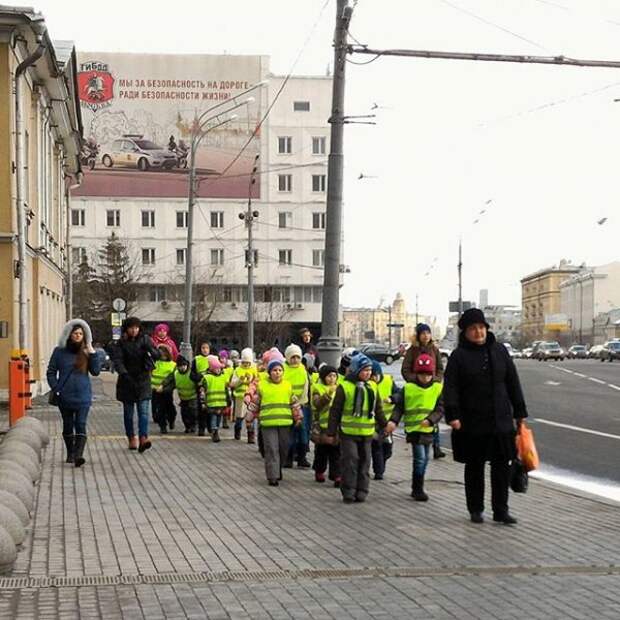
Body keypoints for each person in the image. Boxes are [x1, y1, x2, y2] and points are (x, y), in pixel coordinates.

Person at [443, 308, 528, 525]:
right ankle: (476, 509)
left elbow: (513, 382)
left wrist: (519, 413)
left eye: (481, 327)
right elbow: (450, 388)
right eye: (473, 329)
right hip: (472, 422)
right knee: (475, 467)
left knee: (501, 467)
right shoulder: (458, 356)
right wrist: (453, 415)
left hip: (500, 420)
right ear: (465, 332)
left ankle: (501, 510)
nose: (478, 332)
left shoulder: (499, 351)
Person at [326, 353, 387, 504]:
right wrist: (331, 432)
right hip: (348, 433)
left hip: (367, 433)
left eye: (369, 370)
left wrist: (385, 425)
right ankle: (348, 491)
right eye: (365, 370)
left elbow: (378, 409)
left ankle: (362, 490)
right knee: (351, 461)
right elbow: (335, 411)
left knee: (365, 462)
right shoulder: (345, 387)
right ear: (355, 370)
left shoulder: (372, 386)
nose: (368, 373)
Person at [386, 354, 444, 501]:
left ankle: (418, 484)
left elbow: (440, 408)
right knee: (420, 458)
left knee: (426, 458)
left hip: (429, 429)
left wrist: (431, 420)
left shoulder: (437, 388)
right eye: (422, 374)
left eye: (428, 374)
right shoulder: (409, 388)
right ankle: (417, 488)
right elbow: (399, 406)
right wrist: (393, 421)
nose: (425, 378)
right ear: (417, 374)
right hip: (414, 430)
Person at [46, 319, 103, 467]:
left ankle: (79, 455)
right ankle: (70, 453)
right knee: (68, 424)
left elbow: (96, 371)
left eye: (80, 334)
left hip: (83, 395)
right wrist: (56, 387)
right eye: (75, 333)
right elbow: (51, 371)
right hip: (65, 395)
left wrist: (93, 353)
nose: (78, 336)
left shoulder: (86, 351)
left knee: (81, 424)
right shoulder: (59, 351)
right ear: (68, 334)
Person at [110, 317, 161, 452]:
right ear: (126, 329)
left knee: (143, 412)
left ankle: (143, 438)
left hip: (143, 380)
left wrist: (150, 349)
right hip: (127, 381)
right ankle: (131, 437)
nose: (134, 330)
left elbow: (158, 354)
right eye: (131, 327)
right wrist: (124, 374)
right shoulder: (121, 343)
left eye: (136, 328)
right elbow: (118, 360)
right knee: (128, 413)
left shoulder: (145, 340)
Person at [248, 358, 301, 486]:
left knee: (283, 449)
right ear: (269, 373)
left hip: (285, 424)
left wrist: (298, 417)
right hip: (268, 424)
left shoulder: (287, 386)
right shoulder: (262, 387)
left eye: (280, 370)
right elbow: (255, 404)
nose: (277, 373)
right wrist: (249, 419)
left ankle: (278, 468)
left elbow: (294, 403)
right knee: (271, 449)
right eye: (274, 370)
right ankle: (272, 475)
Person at [401, 323, 446, 459]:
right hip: (418, 389)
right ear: (419, 335)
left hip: (432, 388)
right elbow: (405, 369)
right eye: (423, 333)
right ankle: (417, 440)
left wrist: (436, 379)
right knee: (421, 417)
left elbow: (439, 368)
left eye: (428, 333)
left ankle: (436, 447)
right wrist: (415, 380)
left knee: (434, 417)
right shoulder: (413, 350)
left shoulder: (434, 349)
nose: (426, 336)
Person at [310, 365, 341, 486]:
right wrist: (328, 395)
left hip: (336, 425)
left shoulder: (340, 388)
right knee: (322, 451)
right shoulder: (317, 388)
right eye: (329, 376)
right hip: (323, 425)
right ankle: (319, 470)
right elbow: (317, 404)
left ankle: (337, 475)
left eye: (334, 376)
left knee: (336, 451)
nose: (332, 379)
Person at [283, 344, 310, 468]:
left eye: (297, 357)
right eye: (292, 357)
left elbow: (306, 387)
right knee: (290, 432)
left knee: (303, 431)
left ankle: (302, 457)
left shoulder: (302, 369)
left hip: (301, 405)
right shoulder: (283, 369)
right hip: (287, 405)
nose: (295, 360)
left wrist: (302, 402)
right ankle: (288, 457)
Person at [369, 361, 397, 480]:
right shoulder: (368, 385)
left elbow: (399, 394)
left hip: (387, 422)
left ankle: (381, 465)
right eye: (371, 376)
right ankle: (378, 471)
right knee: (377, 447)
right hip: (374, 422)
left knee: (387, 448)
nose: (373, 378)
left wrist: (392, 399)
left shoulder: (388, 381)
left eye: (375, 375)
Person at [160, 355, 199, 433]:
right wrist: (164, 389)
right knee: (184, 414)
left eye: (184, 365)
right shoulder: (176, 374)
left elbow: (198, 380)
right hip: (183, 398)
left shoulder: (191, 373)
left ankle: (193, 425)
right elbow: (170, 382)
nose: (183, 367)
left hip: (193, 397)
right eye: (180, 366)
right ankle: (187, 426)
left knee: (193, 412)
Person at [230, 348, 258, 442]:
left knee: (250, 417)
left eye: (248, 362)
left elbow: (257, 382)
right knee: (239, 417)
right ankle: (237, 431)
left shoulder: (254, 370)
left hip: (251, 398)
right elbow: (233, 383)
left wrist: (251, 380)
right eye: (244, 362)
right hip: (240, 397)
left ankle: (251, 436)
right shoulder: (237, 370)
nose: (246, 364)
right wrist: (240, 380)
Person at [202, 355, 231, 442]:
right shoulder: (207, 378)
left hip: (221, 403)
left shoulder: (223, 377)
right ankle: (214, 432)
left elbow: (226, 389)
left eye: (219, 368)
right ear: (211, 369)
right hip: (212, 403)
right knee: (214, 417)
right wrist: (203, 402)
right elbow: (202, 392)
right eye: (216, 368)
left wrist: (228, 400)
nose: (218, 370)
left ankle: (216, 429)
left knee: (218, 418)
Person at [150, 345, 177, 434]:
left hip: (167, 391)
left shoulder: (173, 365)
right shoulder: (155, 363)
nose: (162, 354)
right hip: (155, 390)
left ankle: (171, 420)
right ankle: (163, 426)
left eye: (164, 352)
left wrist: (165, 387)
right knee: (159, 409)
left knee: (170, 408)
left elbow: (173, 379)